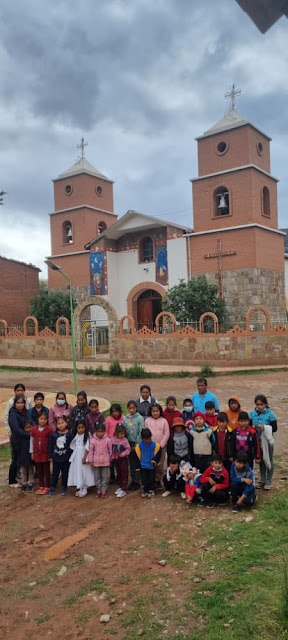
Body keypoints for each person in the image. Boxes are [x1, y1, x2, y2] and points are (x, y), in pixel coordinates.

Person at [249, 394, 277, 490]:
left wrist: (264, 428)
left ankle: (269, 480)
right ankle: (263, 480)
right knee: (260, 460)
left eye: (261, 404)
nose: (259, 406)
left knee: (268, 459)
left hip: (267, 440)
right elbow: (248, 426)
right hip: (257, 440)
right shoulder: (252, 414)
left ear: (266, 404)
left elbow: (275, 428)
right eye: (257, 404)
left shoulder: (270, 414)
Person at [8, 394, 31, 488]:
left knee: (25, 458)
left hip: (26, 440)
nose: (20, 405)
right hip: (17, 440)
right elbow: (16, 428)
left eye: (22, 402)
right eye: (18, 403)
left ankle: (27, 478)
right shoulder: (13, 413)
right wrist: (27, 434)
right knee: (16, 459)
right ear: (14, 403)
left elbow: (31, 422)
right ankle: (11, 480)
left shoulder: (26, 412)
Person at [68, 420, 95, 497]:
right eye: (79, 428)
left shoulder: (87, 435)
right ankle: (80, 486)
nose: (80, 429)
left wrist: (85, 457)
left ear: (85, 427)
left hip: (83, 455)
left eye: (82, 427)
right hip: (76, 456)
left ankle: (85, 487)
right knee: (78, 471)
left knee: (85, 471)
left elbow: (87, 447)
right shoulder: (76, 435)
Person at [48, 416, 73, 497]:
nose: (61, 425)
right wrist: (51, 456)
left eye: (62, 423)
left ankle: (64, 487)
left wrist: (70, 457)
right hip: (56, 458)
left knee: (65, 473)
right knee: (55, 473)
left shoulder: (69, 434)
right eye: (59, 423)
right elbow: (50, 446)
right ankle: (52, 487)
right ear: (56, 425)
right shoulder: (54, 435)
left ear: (66, 423)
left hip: (66, 458)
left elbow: (71, 446)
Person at [145, 403, 170, 487]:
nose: (155, 413)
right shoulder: (147, 421)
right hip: (150, 447)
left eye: (157, 411)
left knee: (160, 464)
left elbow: (166, 434)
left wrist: (161, 445)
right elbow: (146, 433)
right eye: (153, 411)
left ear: (160, 411)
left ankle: (159, 480)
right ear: (150, 412)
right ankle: (151, 480)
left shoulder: (164, 421)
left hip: (161, 447)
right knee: (151, 463)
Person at [123, 400, 144, 491]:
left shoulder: (140, 418)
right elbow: (124, 431)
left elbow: (140, 431)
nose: (131, 410)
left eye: (133, 408)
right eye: (130, 408)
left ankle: (137, 481)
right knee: (131, 463)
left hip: (137, 444)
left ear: (136, 408)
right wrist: (126, 443)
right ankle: (133, 480)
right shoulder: (126, 418)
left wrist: (136, 444)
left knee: (137, 462)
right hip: (128, 443)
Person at [30, 413, 53, 494]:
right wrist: (32, 452)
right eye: (41, 419)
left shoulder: (49, 430)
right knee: (39, 470)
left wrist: (51, 454)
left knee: (46, 470)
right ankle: (41, 485)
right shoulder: (33, 429)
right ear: (38, 419)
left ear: (47, 420)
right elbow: (31, 441)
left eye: (45, 419)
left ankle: (47, 486)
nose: (43, 421)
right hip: (37, 453)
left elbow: (51, 442)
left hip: (46, 453)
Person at [135, 427, 161, 498]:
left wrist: (155, 461)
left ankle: (152, 490)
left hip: (151, 466)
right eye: (145, 439)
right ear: (142, 438)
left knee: (151, 478)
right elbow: (137, 456)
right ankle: (145, 490)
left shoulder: (155, 445)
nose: (147, 440)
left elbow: (158, 454)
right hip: (143, 465)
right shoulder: (139, 446)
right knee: (144, 479)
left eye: (149, 438)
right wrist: (137, 466)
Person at [88, 423, 112, 499]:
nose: (100, 433)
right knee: (97, 477)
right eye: (98, 431)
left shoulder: (108, 440)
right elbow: (91, 451)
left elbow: (110, 450)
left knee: (105, 477)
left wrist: (110, 459)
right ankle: (99, 489)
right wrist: (91, 460)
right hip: (96, 462)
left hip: (105, 462)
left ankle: (104, 490)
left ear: (104, 431)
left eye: (102, 431)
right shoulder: (93, 440)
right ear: (96, 431)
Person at [111, 423, 131, 498]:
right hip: (116, 460)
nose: (122, 435)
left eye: (123, 433)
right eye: (120, 434)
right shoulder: (112, 440)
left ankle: (124, 489)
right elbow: (110, 449)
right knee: (119, 473)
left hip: (123, 460)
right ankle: (121, 486)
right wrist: (111, 456)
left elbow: (128, 449)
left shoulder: (125, 440)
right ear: (116, 433)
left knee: (124, 473)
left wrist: (123, 454)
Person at [106, 403, 124, 484]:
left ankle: (119, 476)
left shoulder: (123, 418)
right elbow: (106, 431)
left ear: (120, 411)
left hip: (120, 443)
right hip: (111, 443)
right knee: (111, 461)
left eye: (116, 411)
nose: (115, 413)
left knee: (119, 460)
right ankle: (112, 476)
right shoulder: (109, 419)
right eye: (113, 412)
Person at [17, 419, 34, 492]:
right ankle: (24, 483)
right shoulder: (21, 437)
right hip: (22, 457)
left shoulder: (33, 436)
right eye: (26, 428)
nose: (28, 429)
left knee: (31, 470)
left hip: (30, 456)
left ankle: (30, 483)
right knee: (23, 471)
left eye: (30, 427)